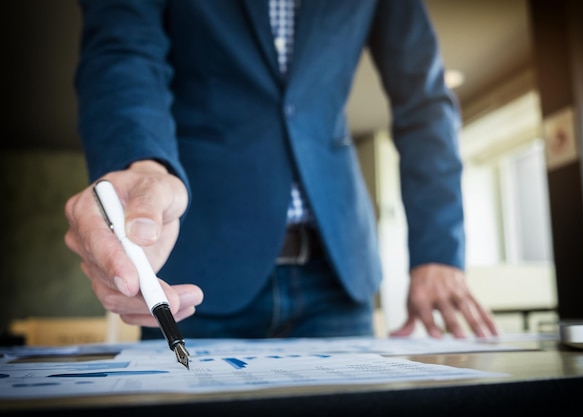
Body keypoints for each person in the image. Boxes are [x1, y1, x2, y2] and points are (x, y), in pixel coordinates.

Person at [64, 0, 499, 341]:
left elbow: (424, 100)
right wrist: (143, 166)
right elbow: (123, 52)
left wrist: (437, 250)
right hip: (200, 272)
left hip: (338, 272)